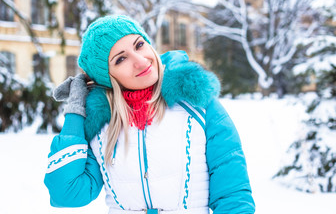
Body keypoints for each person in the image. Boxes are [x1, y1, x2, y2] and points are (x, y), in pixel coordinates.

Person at [44, 15, 255, 214]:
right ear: (106, 77)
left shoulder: (197, 102)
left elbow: (232, 193)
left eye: (139, 45)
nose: (140, 60)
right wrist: (75, 111)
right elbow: (67, 194)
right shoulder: (100, 125)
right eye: (120, 59)